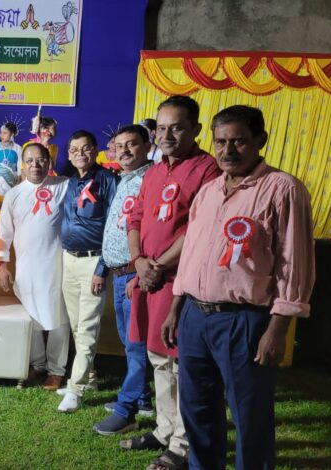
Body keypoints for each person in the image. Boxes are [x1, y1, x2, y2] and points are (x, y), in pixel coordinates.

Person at [162, 105, 315, 470]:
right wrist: (176, 307)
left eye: (239, 141)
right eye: (220, 142)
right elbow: (192, 253)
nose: (228, 150)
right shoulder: (209, 191)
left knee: (250, 415)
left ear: (261, 140)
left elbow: (294, 264)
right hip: (194, 317)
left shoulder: (283, 189)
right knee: (196, 408)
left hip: (245, 321)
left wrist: (277, 329)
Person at [123, 95, 221, 470]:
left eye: (176, 128)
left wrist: (158, 265)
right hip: (150, 279)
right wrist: (139, 262)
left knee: (181, 362)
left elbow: (200, 228)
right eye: (161, 128)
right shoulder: (153, 171)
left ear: (196, 129)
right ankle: (164, 430)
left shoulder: (207, 169)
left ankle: (182, 443)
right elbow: (135, 218)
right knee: (157, 358)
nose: (166, 135)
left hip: (180, 282)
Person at [92, 125, 154, 435]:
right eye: (119, 146)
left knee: (136, 345)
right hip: (119, 274)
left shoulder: (150, 180)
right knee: (129, 343)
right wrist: (104, 267)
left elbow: (153, 232)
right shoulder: (125, 180)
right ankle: (142, 399)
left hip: (134, 274)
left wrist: (139, 272)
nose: (124, 150)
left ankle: (127, 409)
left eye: (132, 144)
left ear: (148, 146)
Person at [0, 143, 71, 391]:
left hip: (59, 265)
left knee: (59, 317)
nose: (35, 165)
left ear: (49, 163)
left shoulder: (63, 186)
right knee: (31, 316)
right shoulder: (13, 195)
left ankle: (56, 370)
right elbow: (4, 233)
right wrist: (2, 265)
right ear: (22, 165)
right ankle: (37, 364)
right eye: (29, 161)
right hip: (26, 266)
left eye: (40, 160)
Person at [56, 130, 119, 412]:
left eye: (85, 148)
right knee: (76, 325)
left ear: (95, 151)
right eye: (74, 150)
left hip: (94, 262)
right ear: (69, 155)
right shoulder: (70, 182)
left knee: (88, 325)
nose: (79, 154)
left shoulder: (108, 180)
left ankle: (76, 388)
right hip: (69, 260)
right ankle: (90, 377)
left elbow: (114, 227)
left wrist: (102, 269)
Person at [0, 121, 23, 197]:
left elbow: (20, 165)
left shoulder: (18, 148)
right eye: (1, 133)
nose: (1, 135)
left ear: (12, 134)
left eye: (5, 133)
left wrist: (19, 180)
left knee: (8, 195)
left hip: (12, 179)